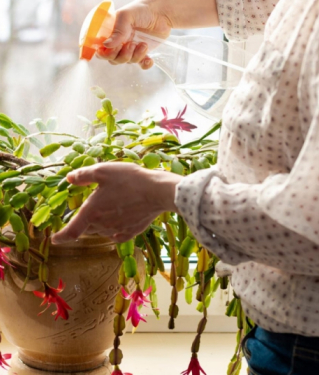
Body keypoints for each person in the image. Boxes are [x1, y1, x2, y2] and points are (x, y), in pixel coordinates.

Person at [51, 0, 319, 374]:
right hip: (283, 336)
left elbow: (310, 229)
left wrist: (164, 191)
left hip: (306, 351)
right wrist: (162, 14)